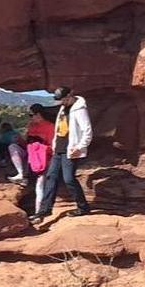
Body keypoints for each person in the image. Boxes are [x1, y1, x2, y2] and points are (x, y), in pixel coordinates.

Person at [29, 86, 92, 224]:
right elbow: (59, 128)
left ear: (70, 95)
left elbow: (87, 130)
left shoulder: (79, 108)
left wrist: (80, 147)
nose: (61, 102)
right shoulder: (63, 108)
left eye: (63, 99)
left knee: (69, 179)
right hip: (59, 149)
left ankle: (83, 207)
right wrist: (54, 145)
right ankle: (44, 210)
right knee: (51, 177)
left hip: (71, 150)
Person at [24, 102, 55, 217]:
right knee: (13, 148)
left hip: (44, 160)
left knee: (40, 185)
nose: (30, 118)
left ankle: (39, 212)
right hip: (31, 159)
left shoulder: (50, 127)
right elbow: (26, 143)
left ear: (38, 114)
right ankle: (21, 175)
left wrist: (40, 147)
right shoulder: (31, 126)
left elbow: (53, 147)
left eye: (31, 115)